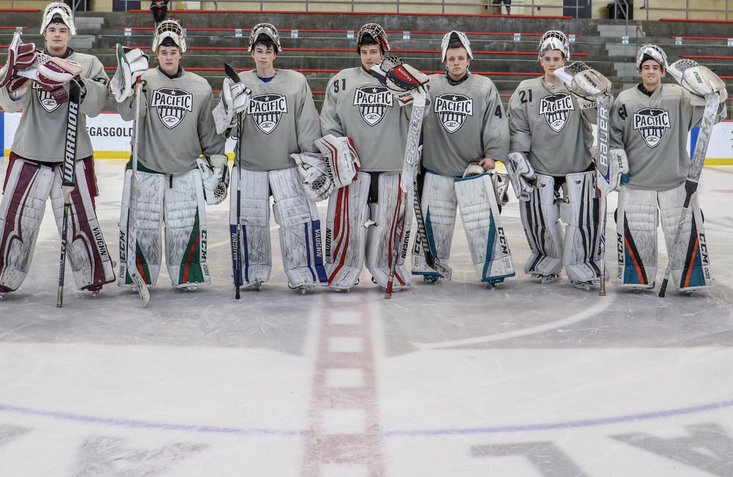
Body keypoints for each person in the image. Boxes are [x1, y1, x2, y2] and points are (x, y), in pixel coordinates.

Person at [0, 2, 115, 297]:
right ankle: (5, 273)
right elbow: (9, 103)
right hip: (30, 152)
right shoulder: (29, 60)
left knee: (80, 220)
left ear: (70, 33)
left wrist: (78, 82)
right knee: (17, 219)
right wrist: (14, 77)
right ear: (44, 32)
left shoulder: (89, 63)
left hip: (73, 155)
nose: (57, 34)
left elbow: (96, 106)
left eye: (62, 29)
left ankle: (92, 274)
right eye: (52, 29)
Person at [112, 20, 226, 294]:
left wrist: (216, 160)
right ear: (156, 53)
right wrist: (127, 87)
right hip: (147, 166)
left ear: (181, 53)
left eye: (173, 52)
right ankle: (138, 275)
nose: (168, 57)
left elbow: (207, 130)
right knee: (143, 228)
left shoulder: (200, 86)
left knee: (185, 228)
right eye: (164, 52)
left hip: (185, 169)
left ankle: (188, 274)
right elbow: (128, 114)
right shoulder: (143, 80)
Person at [213, 22, 329, 292]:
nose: (263, 56)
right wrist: (231, 111)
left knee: (298, 220)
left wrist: (310, 159)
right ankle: (251, 272)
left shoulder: (296, 82)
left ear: (276, 53)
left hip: (286, 165)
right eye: (259, 50)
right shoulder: (236, 83)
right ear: (251, 52)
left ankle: (303, 272)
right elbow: (222, 127)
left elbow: (306, 123)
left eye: (268, 51)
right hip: (250, 166)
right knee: (250, 222)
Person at [607, 44, 727, 294]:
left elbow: (713, 113)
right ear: (639, 70)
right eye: (646, 67)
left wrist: (716, 93)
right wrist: (616, 161)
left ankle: (690, 278)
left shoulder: (679, 96)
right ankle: (639, 277)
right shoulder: (625, 100)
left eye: (655, 67)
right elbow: (613, 135)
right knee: (638, 233)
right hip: (637, 182)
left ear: (663, 71)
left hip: (676, 181)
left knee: (684, 233)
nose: (651, 71)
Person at [319, 23, 413, 292]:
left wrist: (413, 92)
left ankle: (387, 267)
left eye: (374, 51)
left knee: (388, 223)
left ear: (384, 51)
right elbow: (329, 121)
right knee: (349, 224)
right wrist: (338, 151)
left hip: (390, 165)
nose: (369, 57)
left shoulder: (401, 80)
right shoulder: (342, 81)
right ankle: (344, 268)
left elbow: (418, 117)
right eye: (364, 52)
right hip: (353, 169)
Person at [415, 30, 513, 286]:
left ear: (469, 59)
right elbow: (415, 121)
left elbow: (495, 122)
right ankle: (431, 266)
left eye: (461, 58)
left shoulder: (484, 86)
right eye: (451, 58)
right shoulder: (429, 85)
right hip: (437, 168)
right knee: (435, 224)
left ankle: (493, 269)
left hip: (473, 170)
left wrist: (493, 156)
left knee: (482, 225)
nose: (456, 62)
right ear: (444, 61)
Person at [507, 31, 603, 287]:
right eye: (547, 58)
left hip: (577, 165)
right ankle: (547, 259)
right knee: (541, 219)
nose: (552, 63)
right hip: (542, 166)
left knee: (581, 220)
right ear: (540, 60)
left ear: (565, 60)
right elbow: (518, 127)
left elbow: (598, 118)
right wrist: (519, 155)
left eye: (556, 58)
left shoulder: (579, 87)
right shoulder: (526, 90)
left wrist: (598, 97)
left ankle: (582, 263)